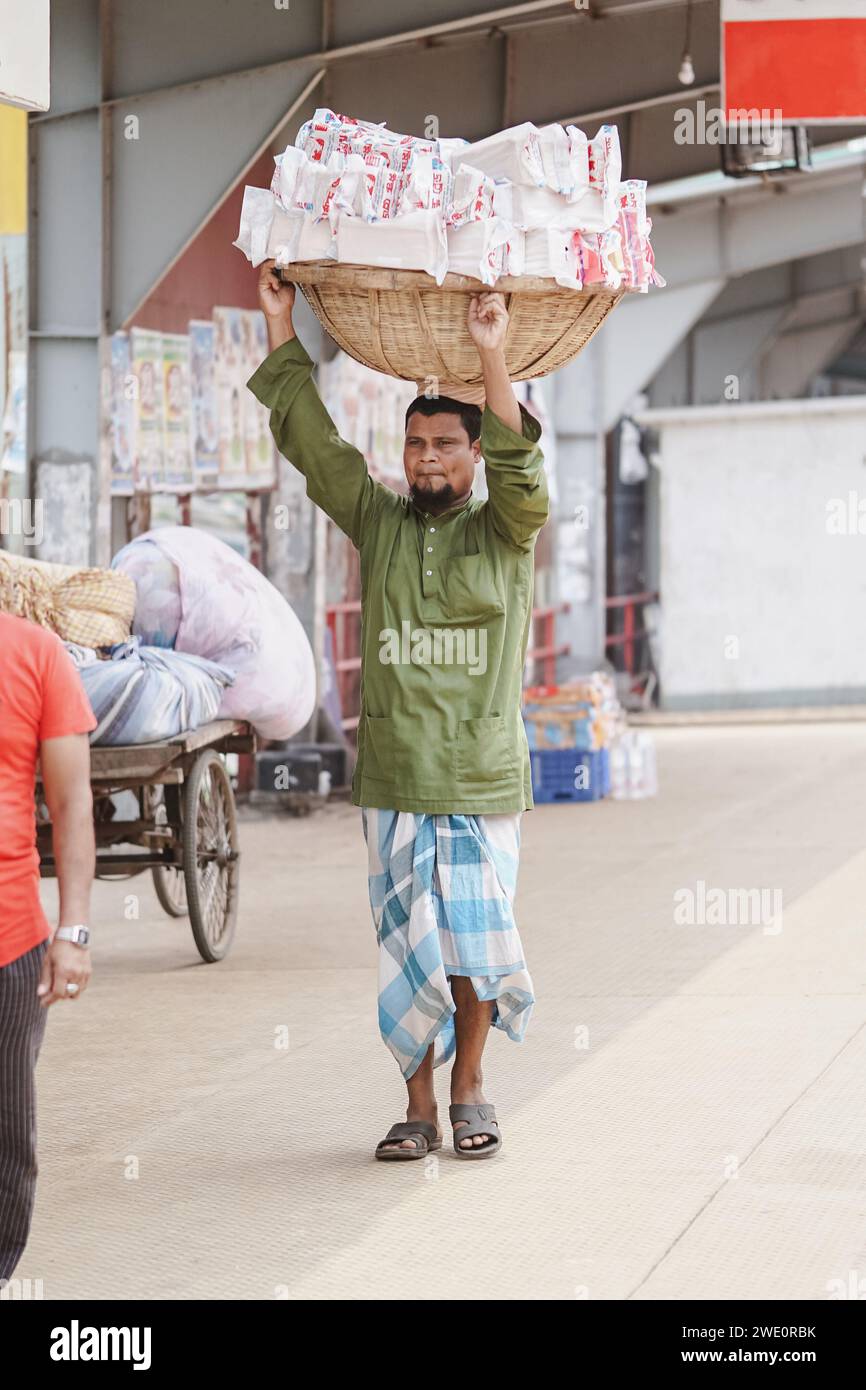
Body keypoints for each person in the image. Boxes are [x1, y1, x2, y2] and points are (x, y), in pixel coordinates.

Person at [251, 263, 549, 1161]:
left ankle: (472, 1087)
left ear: (474, 456)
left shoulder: (509, 530)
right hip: (392, 775)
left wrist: (491, 354)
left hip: (482, 774)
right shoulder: (378, 524)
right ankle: (416, 1105)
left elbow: (522, 469)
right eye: (415, 443)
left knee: (474, 944)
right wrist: (280, 325)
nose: (426, 457)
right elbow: (315, 446)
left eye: (445, 445)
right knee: (407, 944)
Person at [0, 612, 95, 1278]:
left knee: (7, 1132)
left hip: (11, 941)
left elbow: (72, 805)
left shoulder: (35, 655)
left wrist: (74, 932)